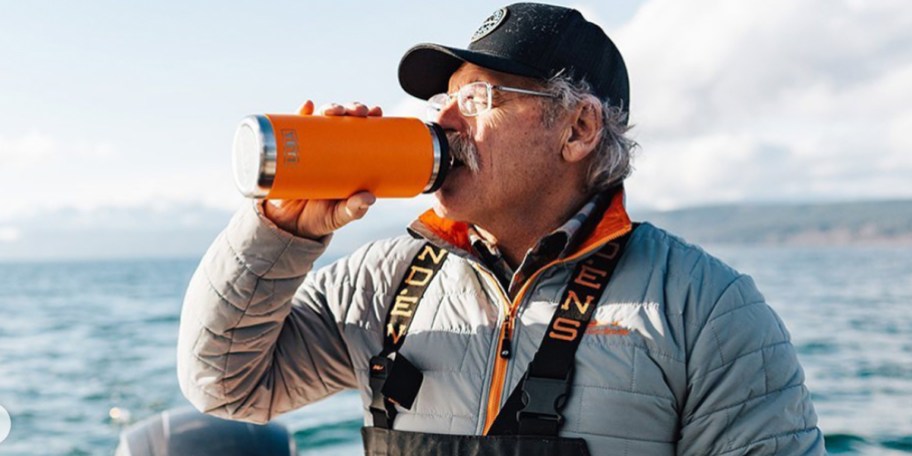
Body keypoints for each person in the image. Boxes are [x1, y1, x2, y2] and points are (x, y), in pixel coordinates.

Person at [178, 3, 825, 455]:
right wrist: (281, 231)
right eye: (445, 101)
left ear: (578, 130)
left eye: (480, 99)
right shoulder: (384, 280)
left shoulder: (707, 309)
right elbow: (224, 384)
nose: (445, 123)